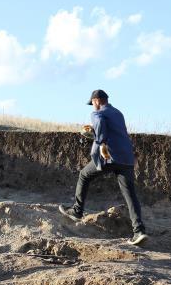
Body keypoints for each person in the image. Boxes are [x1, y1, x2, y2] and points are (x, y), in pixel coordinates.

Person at [59, 89, 148, 246]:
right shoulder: (118, 113)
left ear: (96, 101)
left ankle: (76, 211)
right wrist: (95, 134)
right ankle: (139, 232)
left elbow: (99, 123)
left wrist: (99, 140)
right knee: (130, 194)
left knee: (84, 175)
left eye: (92, 103)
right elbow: (114, 131)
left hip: (109, 155)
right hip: (127, 157)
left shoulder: (97, 113)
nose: (92, 106)